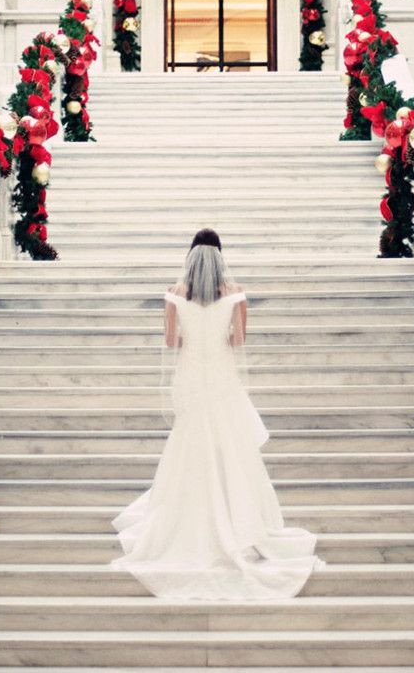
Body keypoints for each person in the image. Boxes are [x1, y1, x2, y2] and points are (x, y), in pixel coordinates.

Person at [109, 228, 326, 600]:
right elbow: (239, 340)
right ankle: (240, 522)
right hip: (222, 375)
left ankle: (188, 522)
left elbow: (170, 341)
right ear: (221, 256)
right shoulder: (235, 291)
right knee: (230, 447)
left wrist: (194, 337)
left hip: (191, 375)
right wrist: (217, 339)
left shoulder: (176, 293)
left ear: (190, 255)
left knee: (191, 444)